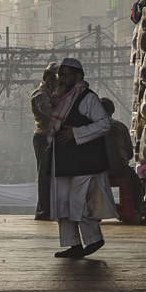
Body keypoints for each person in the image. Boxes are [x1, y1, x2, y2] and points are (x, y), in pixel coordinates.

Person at [47, 57, 118, 258]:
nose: (61, 79)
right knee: (63, 204)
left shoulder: (88, 98)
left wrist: (76, 133)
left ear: (78, 77)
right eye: (60, 75)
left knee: (77, 203)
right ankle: (73, 245)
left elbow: (104, 125)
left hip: (85, 162)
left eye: (66, 75)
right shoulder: (59, 99)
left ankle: (94, 239)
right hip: (63, 161)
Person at [102, 97, 146, 223]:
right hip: (120, 169)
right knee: (137, 184)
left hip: (99, 171)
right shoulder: (120, 127)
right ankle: (135, 211)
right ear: (112, 111)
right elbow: (130, 154)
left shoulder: (90, 127)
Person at [30, 61, 58, 221]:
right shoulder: (40, 95)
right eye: (53, 79)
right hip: (43, 138)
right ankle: (43, 211)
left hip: (52, 138)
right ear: (46, 78)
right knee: (45, 176)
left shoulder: (51, 94)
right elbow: (52, 112)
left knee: (52, 175)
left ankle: (50, 209)